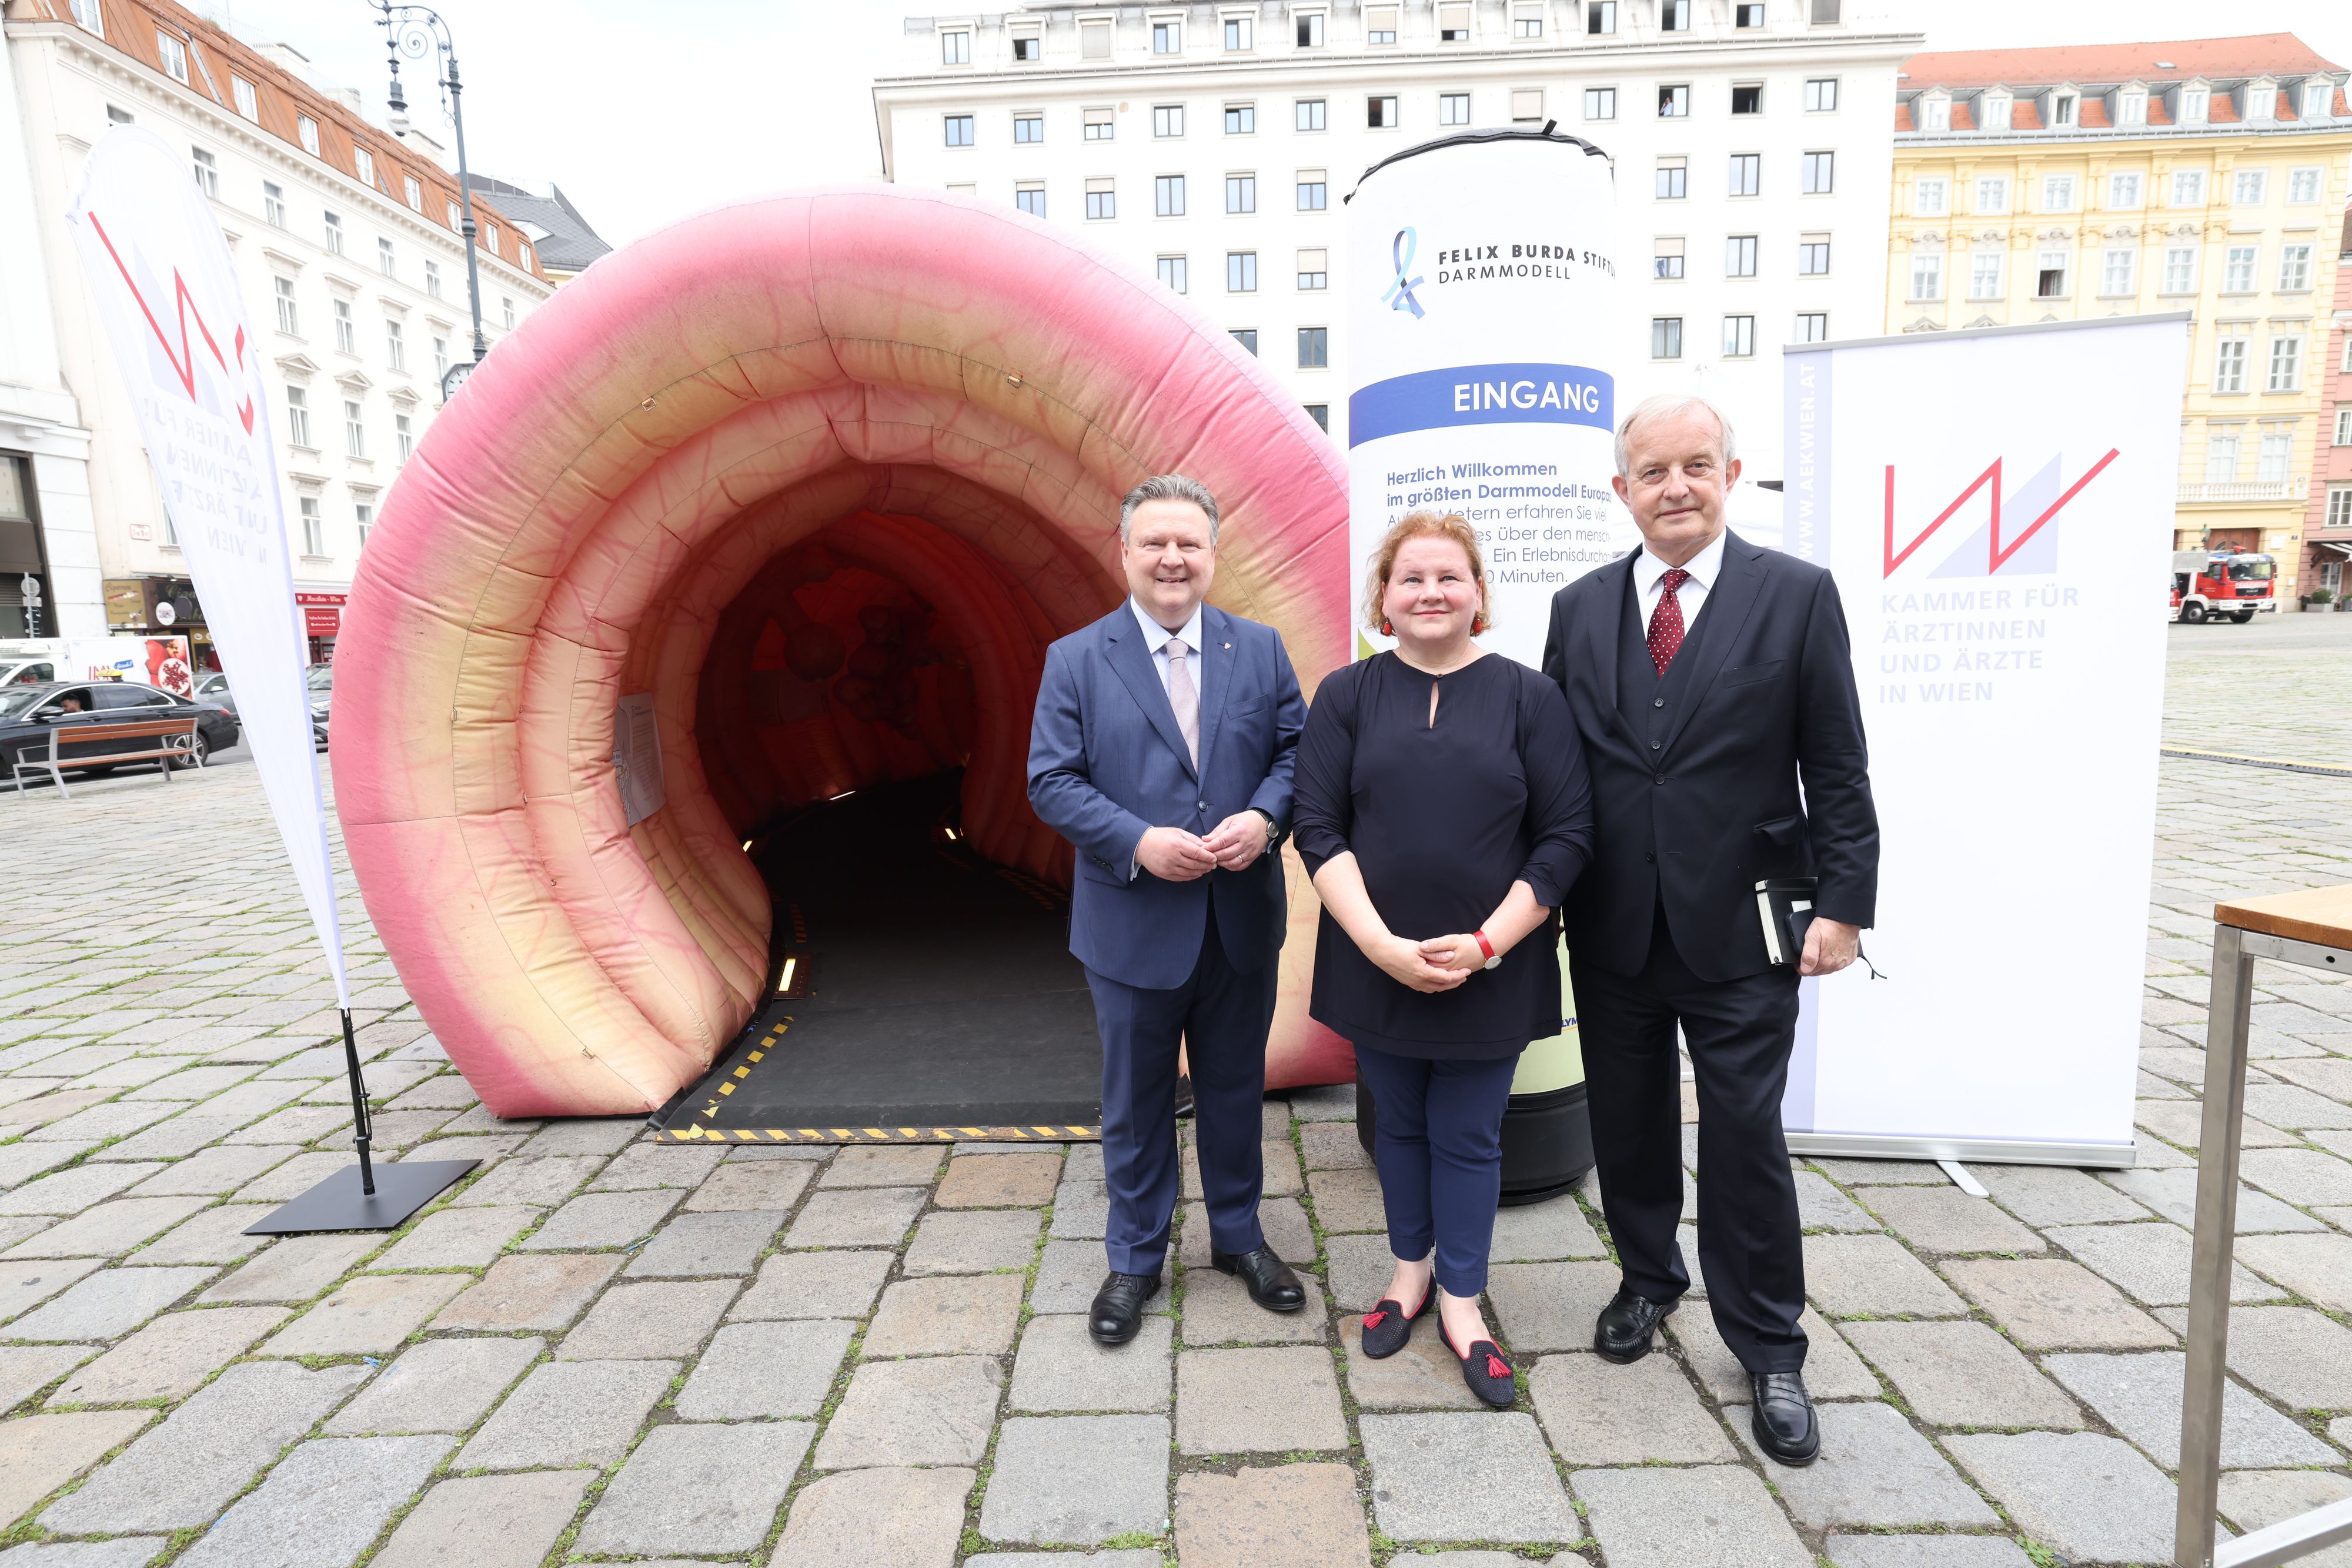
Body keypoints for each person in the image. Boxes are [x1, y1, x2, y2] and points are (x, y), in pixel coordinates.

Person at [1539, 393, 1878, 1465]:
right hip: (1613, 929)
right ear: (1622, 489)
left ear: (1733, 475)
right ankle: (1647, 1280)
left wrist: (1848, 902)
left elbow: (1836, 765)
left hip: (1743, 929)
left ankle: (1770, 1342)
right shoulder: (1579, 607)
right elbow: (1560, 774)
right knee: (1628, 1125)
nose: (1675, 486)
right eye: (1653, 471)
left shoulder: (1796, 598)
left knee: (1744, 1139)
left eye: (1697, 466)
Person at [1293, 511, 1593, 1407]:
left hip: (1491, 966)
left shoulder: (1531, 698)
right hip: (1373, 961)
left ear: (1478, 596)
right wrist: (1382, 947)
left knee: (1468, 1137)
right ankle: (1406, 1276)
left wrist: (1491, 942)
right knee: (1401, 1131)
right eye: (1410, 578)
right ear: (1383, 601)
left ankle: (1463, 1303)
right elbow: (1318, 827)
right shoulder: (1345, 695)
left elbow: (1569, 834)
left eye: (1448, 577)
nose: (1429, 592)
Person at [1028, 473, 1310, 1346]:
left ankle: (1238, 1238)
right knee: (1137, 1100)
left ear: (1213, 554)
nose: (1173, 558)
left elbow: (1299, 752)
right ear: (1125, 552)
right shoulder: (1076, 658)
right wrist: (1136, 841)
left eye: (1189, 543)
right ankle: (1136, 1258)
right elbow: (1050, 780)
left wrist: (1265, 819)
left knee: (1234, 1088)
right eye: (1155, 542)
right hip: (1132, 923)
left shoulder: (1258, 650)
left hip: (1239, 921)